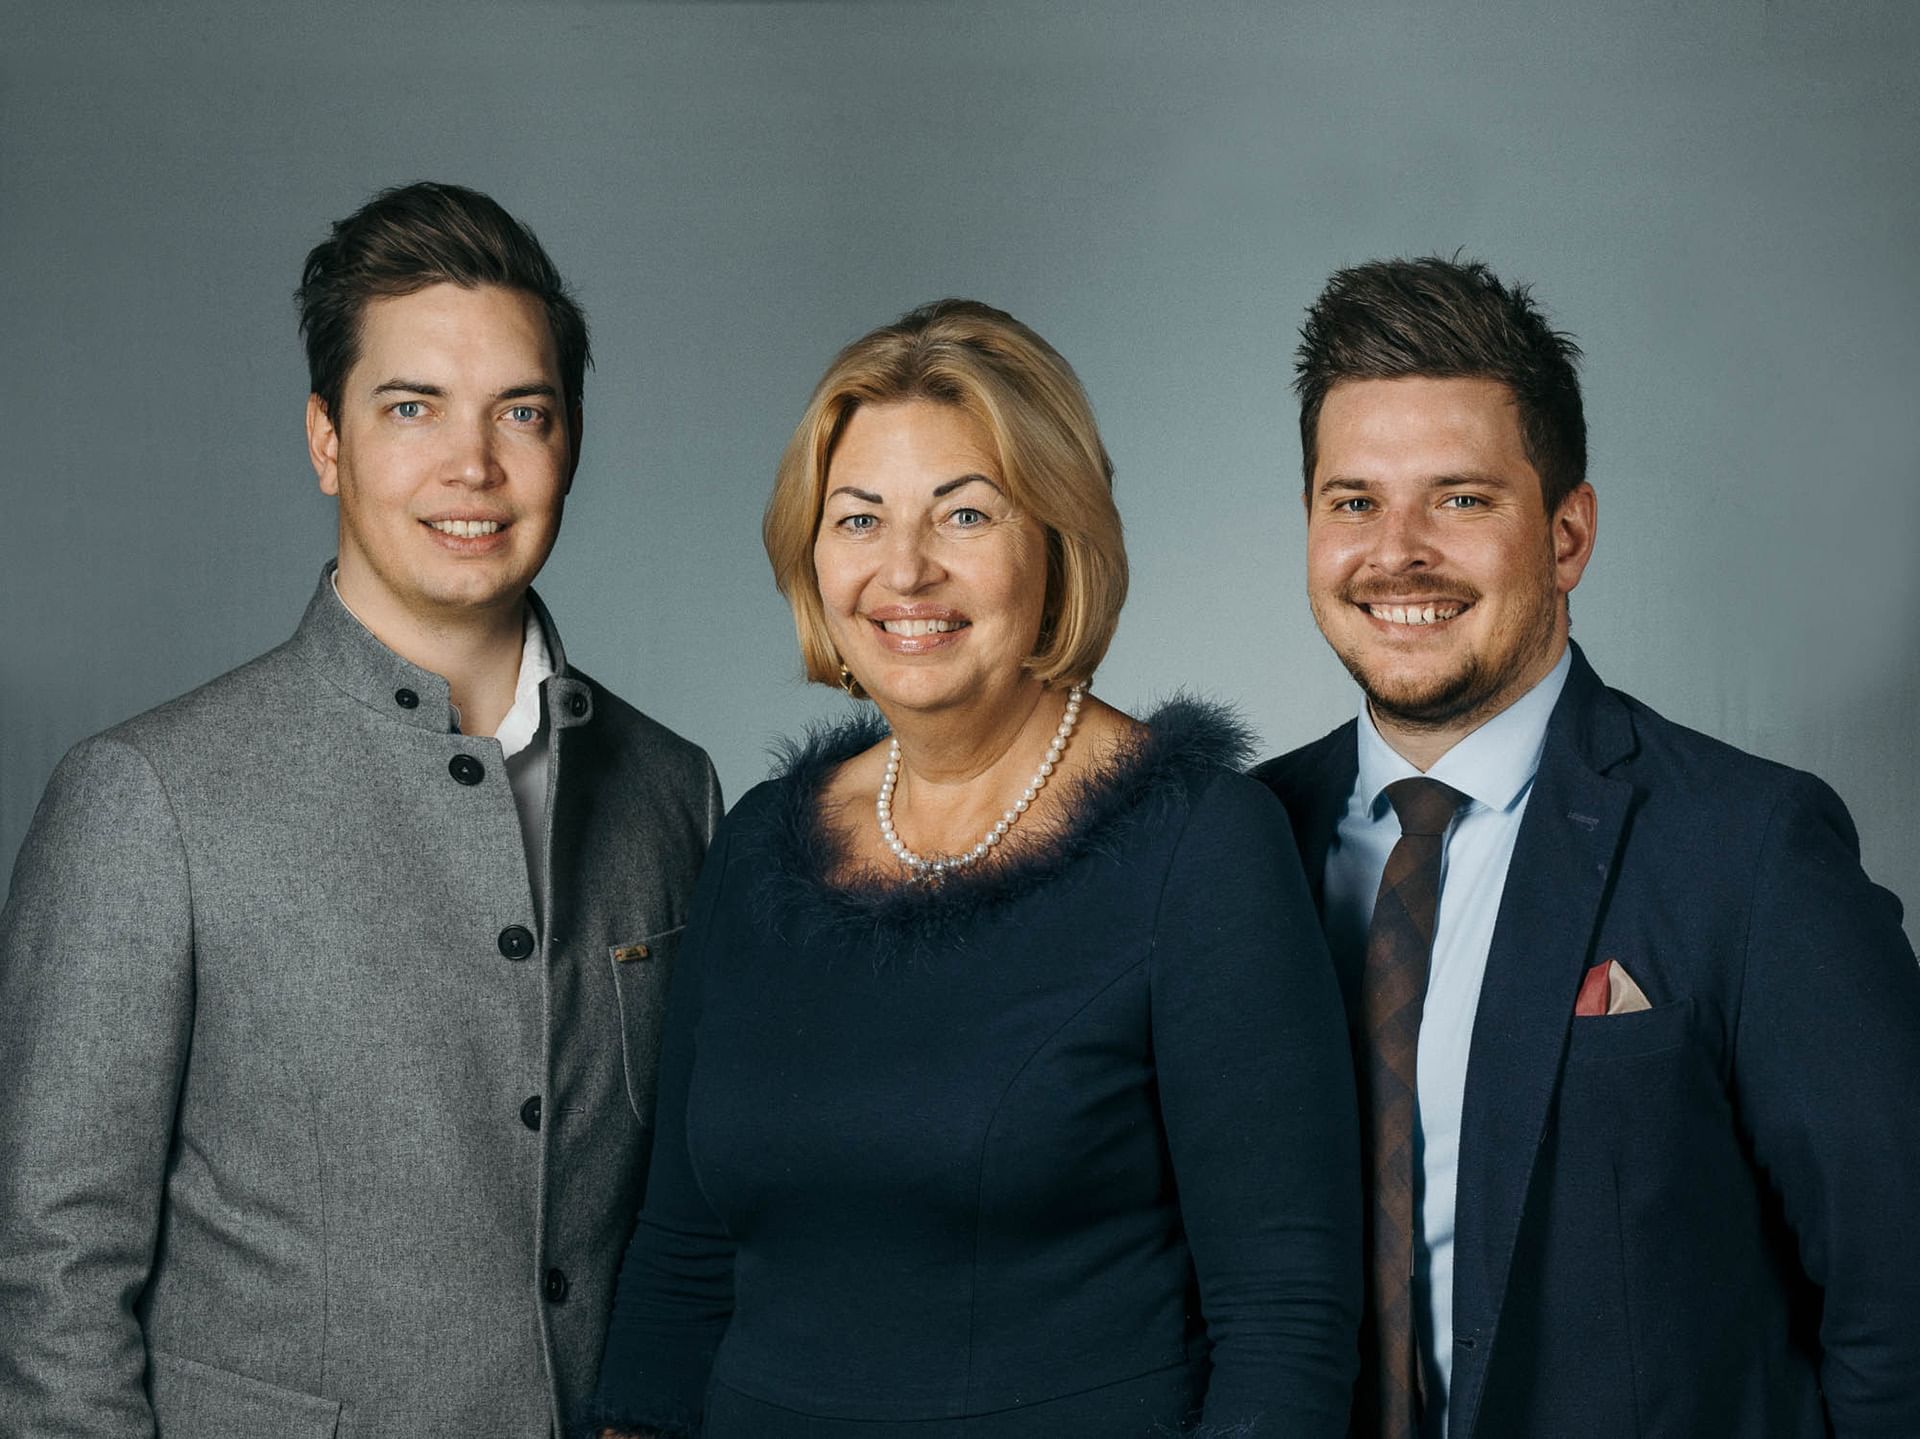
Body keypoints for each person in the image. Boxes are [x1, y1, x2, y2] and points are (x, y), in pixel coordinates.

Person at [0, 182, 720, 1436]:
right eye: (411, 408)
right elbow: (51, 1278)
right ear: (327, 439)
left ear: (573, 440)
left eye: (521, 411)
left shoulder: (673, 788)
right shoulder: (148, 798)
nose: (473, 465)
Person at [586, 299, 1359, 1438]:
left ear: (1058, 535)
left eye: (964, 513)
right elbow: (683, 1263)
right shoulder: (757, 844)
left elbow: (1285, 1319)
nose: (906, 569)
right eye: (859, 518)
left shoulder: (1201, 843)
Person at [1253, 256, 1920, 1439]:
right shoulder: (1236, 846)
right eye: (1353, 499)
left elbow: (1901, 1298)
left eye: (1460, 498)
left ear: (1567, 534)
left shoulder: (1752, 849)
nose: (1395, 550)